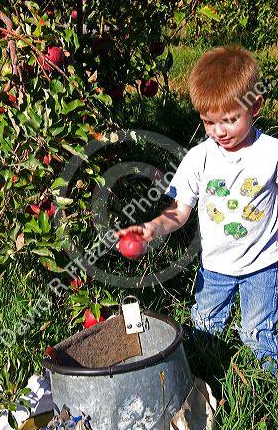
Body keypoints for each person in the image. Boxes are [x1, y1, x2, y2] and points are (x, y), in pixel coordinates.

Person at [114, 45, 278, 372]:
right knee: (203, 329)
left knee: (257, 333)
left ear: (255, 106)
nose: (219, 132)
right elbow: (180, 211)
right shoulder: (200, 157)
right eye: (209, 122)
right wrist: (150, 229)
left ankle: (263, 389)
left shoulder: (271, 153)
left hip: (264, 265)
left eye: (230, 120)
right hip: (215, 266)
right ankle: (202, 381)